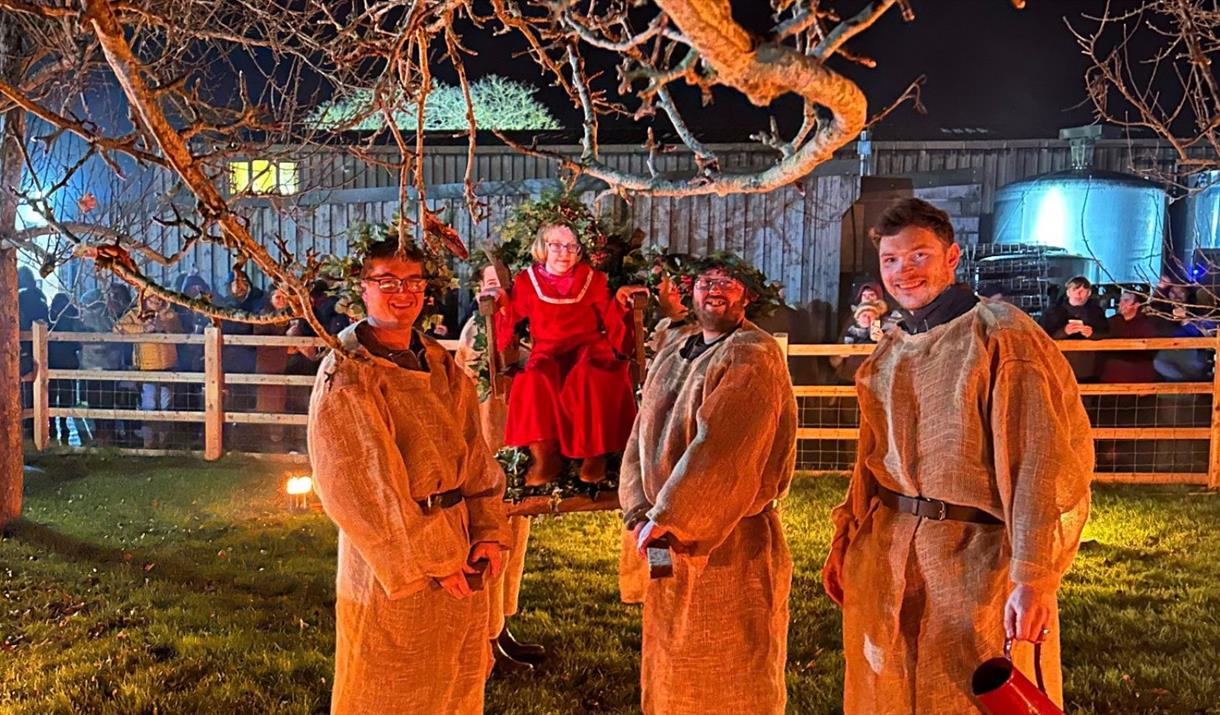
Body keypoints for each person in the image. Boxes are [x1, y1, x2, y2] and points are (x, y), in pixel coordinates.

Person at [822, 198, 1092, 713]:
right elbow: (870, 462)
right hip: (892, 551)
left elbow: (1039, 461)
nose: (905, 272)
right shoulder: (892, 349)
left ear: (952, 257)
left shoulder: (999, 335)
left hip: (975, 560)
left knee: (970, 694)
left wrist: (1033, 575)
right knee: (893, 687)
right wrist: (849, 535)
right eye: (891, 261)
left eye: (919, 256)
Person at [307, 237, 509, 715]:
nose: (403, 292)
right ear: (363, 288)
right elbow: (359, 486)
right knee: (392, 685)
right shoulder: (350, 372)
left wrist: (488, 530)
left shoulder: (438, 362)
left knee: (455, 683)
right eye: (387, 281)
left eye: (413, 281)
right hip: (400, 563)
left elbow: (475, 454)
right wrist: (432, 559)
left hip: (460, 546)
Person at [620, 260, 798, 715]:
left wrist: (672, 516)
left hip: (729, 542)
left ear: (747, 296)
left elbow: (725, 446)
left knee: (727, 666)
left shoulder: (752, 354)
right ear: (691, 292)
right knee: (672, 658)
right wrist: (638, 508)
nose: (714, 291)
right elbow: (642, 431)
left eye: (727, 283)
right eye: (705, 282)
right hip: (662, 532)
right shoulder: (677, 348)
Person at [483, 223, 645, 485]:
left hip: (589, 348)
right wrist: (500, 300)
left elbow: (608, 316)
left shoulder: (592, 279)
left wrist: (620, 300)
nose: (564, 253)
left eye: (571, 246)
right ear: (542, 248)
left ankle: (594, 456)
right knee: (533, 381)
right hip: (547, 350)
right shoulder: (528, 281)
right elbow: (512, 313)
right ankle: (545, 455)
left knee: (589, 379)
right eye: (556, 245)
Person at [455, 261, 546, 675]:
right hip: (488, 448)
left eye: (502, 285)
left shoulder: (522, 327)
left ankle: (502, 627)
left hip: (517, 445)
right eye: (488, 284)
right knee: (491, 545)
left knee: (514, 544)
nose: (495, 291)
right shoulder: (479, 331)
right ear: (479, 290)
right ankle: (485, 643)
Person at [113, 293, 183, 449]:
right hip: (146, 367)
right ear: (144, 299)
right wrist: (143, 328)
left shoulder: (170, 314)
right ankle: (149, 444)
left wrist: (164, 324)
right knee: (149, 404)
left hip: (168, 366)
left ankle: (164, 444)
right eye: (152, 298)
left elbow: (179, 330)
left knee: (166, 405)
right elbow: (118, 328)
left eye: (159, 297)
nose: (157, 301)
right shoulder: (135, 314)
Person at [79, 283, 131, 446]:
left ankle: (105, 434)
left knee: (101, 401)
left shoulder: (106, 316)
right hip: (104, 365)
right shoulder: (103, 316)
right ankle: (106, 434)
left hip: (96, 366)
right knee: (103, 401)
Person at [1039, 275, 1109, 382]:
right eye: (1075, 290)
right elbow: (1042, 336)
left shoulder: (1096, 312)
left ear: (1089, 293)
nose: (1079, 294)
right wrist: (1064, 332)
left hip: (1088, 370)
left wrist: (1092, 334)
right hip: (1060, 367)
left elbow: (1107, 333)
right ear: (1068, 292)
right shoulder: (1053, 312)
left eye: (1083, 291)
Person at [47, 294, 84, 445]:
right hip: (68, 362)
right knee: (65, 396)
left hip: (51, 362)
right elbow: (77, 343)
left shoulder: (51, 319)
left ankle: (52, 428)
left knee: (50, 395)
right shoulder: (72, 318)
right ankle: (63, 426)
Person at [1099, 290, 1159, 383]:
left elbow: (1150, 350)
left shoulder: (1146, 324)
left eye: (1126, 301)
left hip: (1139, 372)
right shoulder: (1111, 322)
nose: (1121, 304)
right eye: (1121, 300)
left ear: (1136, 305)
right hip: (1112, 374)